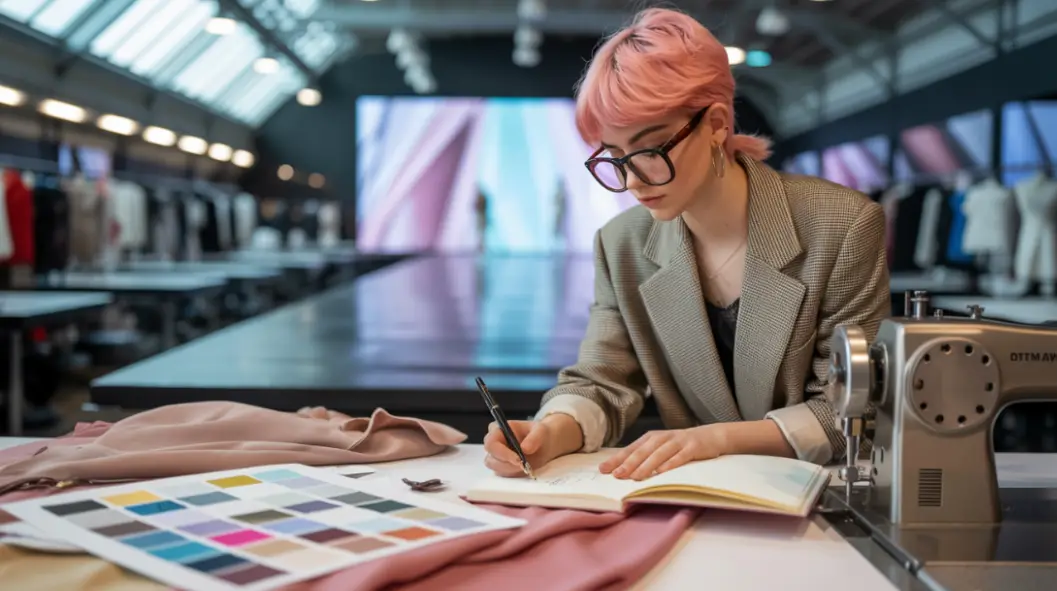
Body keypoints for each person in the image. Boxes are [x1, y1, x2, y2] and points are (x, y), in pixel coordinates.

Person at [483, 7, 890, 481]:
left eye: (651, 150)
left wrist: (712, 440)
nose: (633, 180)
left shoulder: (841, 227)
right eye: (614, 157)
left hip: (817, 499)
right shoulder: (623, 244)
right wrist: (550, 432)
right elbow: (602, 380)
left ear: (716, 123)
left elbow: (848, 412)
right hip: (700, 500)